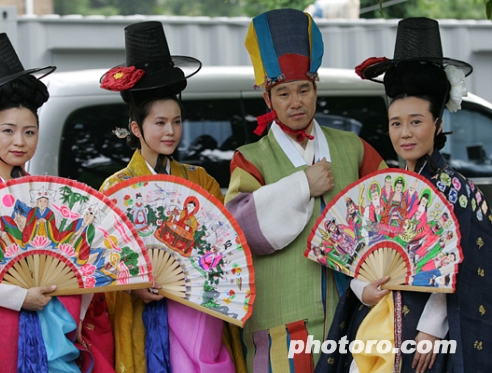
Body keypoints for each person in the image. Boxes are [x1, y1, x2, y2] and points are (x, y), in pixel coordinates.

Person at [317, 17, 492, 373]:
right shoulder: (383, 188)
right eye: (396, 123)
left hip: (429, 334)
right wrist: (361, 288)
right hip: (375, 323)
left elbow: (468, 269)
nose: (405, 133)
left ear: (438, 125)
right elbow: (356, 249)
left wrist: (430, 329)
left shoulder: (458, 192)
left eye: (416, 121)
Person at [0, 33, 114, 373]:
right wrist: (17, 297)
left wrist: (68, 287)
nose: (20, 141)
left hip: (56, 327)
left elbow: (84, 269)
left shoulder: (52, 201)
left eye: (29, 132)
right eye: (8, 131)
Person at [223, 8, 386, 372]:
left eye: (303, 90)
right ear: (268, 99)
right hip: (280, 324)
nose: (295, 102)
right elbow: (236, 229)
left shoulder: (354, 149)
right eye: (283, 93)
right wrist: (301, 186)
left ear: (316, 89)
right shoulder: (250, 159)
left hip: (353, 316)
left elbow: (391, 213)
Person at [98, 21, 245, 373]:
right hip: (139, 316)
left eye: (176, 122)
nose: (170, 132)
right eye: (159, 123)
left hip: (197, 315)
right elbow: (102, 265)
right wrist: (133, 287)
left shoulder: (201, 181)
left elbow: (221, 252)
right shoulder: (114, 188)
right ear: (137, 128)